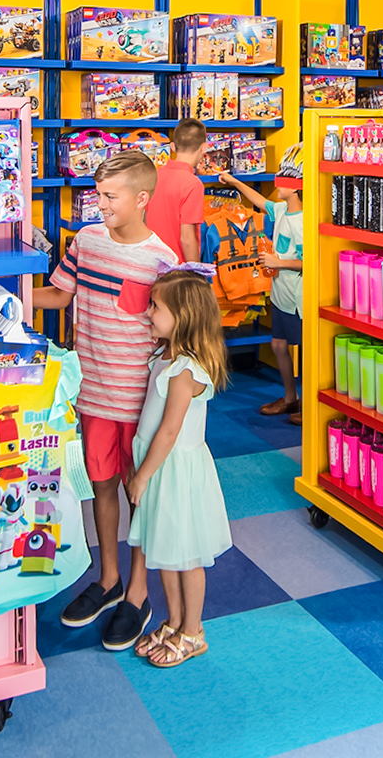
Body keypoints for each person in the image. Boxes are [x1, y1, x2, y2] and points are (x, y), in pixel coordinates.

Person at [33, 150, 176, 650]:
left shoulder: (162, 261)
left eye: (110, 196)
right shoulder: (86, 241)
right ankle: (108, 579)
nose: (100, 204)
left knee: (138, 492)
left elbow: (171, 337)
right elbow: (58, 296)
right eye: (97, 193)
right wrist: (10, 292)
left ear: (141, 199)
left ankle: (138, 593)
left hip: (138, 400)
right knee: (99, 489)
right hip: (91, 393)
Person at [127, 269, 233, 668]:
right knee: (164, 549)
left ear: (183, 317)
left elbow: (170, 431)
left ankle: (193, 629)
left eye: (156, 306)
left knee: (186, 555)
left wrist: (141, 476)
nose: (148, 312)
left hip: (172, 471)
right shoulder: (165, 356)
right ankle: (173, 621)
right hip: (158, 469)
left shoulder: (185, 370)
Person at [220, 169, 303, 423]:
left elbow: (307, 262)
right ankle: (291, 399)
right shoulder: (280, 210)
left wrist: (278, 262)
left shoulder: (303, 222)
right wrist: (234, 181)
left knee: (307, 351)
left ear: (297, 188)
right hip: (280, 294)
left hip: (297, 298)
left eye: (284, 183)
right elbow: (259, 201)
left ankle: (309, 404)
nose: (278, 186)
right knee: (278, 344)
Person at [148, 117, 206, 262]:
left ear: (172, 146)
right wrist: (196, 273)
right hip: (177, 271)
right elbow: (187, 238)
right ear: (204, 147)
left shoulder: (154, 175)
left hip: (151, 263)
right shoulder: (193, 184)